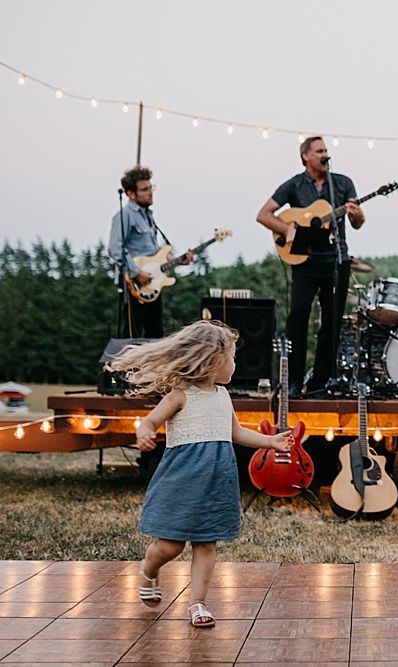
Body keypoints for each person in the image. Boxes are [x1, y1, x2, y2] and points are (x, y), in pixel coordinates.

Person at [108, 320, 293, 628]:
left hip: (216, 481)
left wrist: (270, 442)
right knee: (170, 546)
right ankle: (149, 570)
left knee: (207, 543)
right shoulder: (180, 395)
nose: (235, 363)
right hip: (182, 480)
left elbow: (235, 432)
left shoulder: (223, 396)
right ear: (212, 360)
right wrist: (144, 431)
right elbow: (149, 421)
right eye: (232, 357)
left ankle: (198, 603)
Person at [256, 137, 365, 396]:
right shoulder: (294, 185)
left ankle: (320, 382)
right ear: (306, 157)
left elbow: (358, 222)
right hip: (304, 262)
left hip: (336, 260)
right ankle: (293, 381)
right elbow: (263, 214)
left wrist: (357, 215)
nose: (325, 154)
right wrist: (287, 229)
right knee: (298, 318)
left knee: (332, 323)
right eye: (319, 151)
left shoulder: (342, 183)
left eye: (326, 150)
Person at [108, 166, 191, 338]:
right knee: (132, 334)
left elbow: (154, 252)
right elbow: (115, 248)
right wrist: (136, 272)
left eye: (151, 188)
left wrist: (177, 260)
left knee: (155, 333)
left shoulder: (148, 216)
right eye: (145, 189)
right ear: (131, 194)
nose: (150, 192)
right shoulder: (124, 215)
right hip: (133, 283)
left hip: (153, 283)